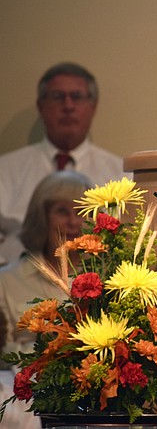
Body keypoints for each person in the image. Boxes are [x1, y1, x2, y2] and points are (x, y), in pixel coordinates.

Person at [0, 63, 126, 265]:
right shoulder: (5, 170)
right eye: (58, 97)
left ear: (93, 106)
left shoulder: (121, 175)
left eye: (77, 97)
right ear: (41, 106)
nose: (68, 106)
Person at [0, 171, 91, 429]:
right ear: (41, 217)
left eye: (80, 212)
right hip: (24, 404)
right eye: (62, 211)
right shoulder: (6, 280)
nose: (73, 222)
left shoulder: (105, 278)